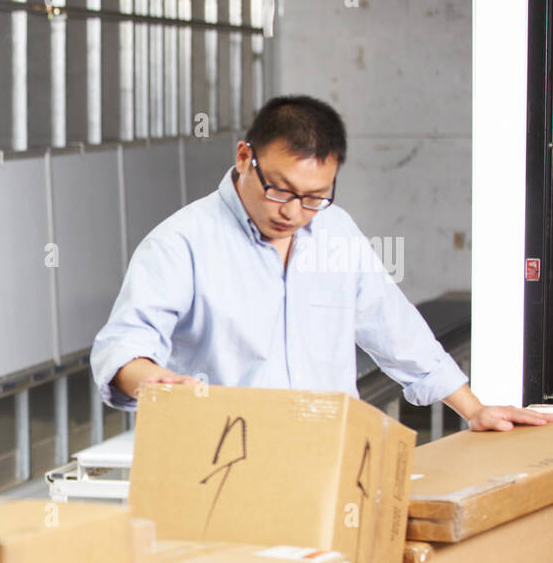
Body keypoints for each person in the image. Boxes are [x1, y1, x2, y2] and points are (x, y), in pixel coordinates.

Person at [91, 94, 547, 432]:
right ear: (245, 157)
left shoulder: (335, 230)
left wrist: (473, 408)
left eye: (313, 197)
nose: (292, 211)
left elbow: (393, 326)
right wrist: (158, 381)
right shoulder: (181, 242)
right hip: (227, 461)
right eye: (281, 190)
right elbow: (125, 343)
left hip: (329, 457)